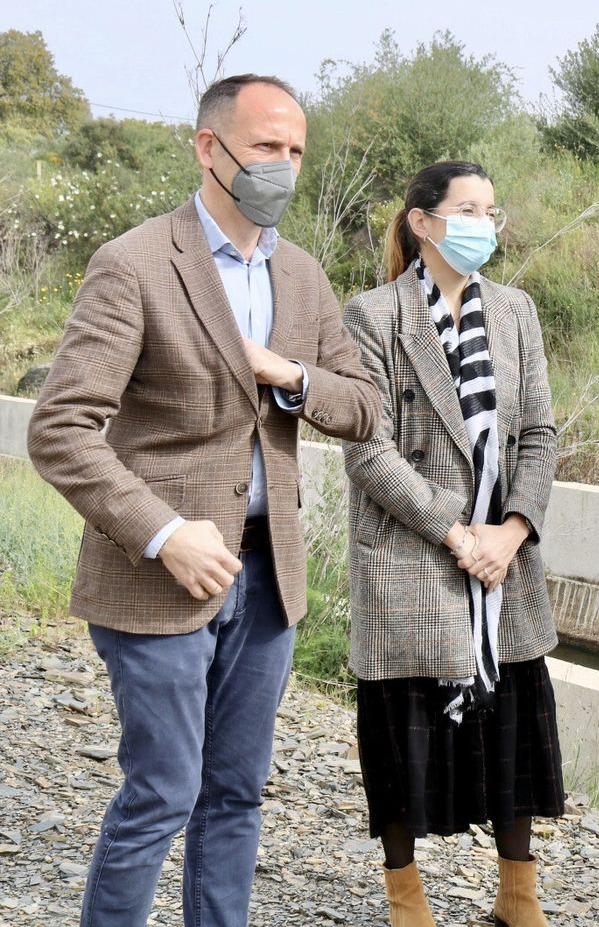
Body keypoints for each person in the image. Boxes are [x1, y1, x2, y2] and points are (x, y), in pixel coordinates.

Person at [25, 74, 380, 927]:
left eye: (296, 151)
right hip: (160, 578)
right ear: (209, 147)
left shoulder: (300, 274)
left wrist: (289, 375)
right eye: (267, 148)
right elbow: (61, 430)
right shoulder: (136, 263)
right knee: (163, 791)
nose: (284, 168)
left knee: (236, 794)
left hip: (270, 580)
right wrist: (164, 532)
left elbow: (364, 406)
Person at [342, 161, 562, 927]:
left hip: (503, 558)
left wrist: (513, 530)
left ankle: (519, 900)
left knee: (512, 736)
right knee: (403, 739)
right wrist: (455, 530)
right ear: (422, 222)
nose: (483, 225)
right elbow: (369, 452)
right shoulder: (373, 316)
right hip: (414, 551)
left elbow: (539, 432)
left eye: (491, 212)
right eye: (467, 209)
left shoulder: (515, 311)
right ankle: (408, 903)